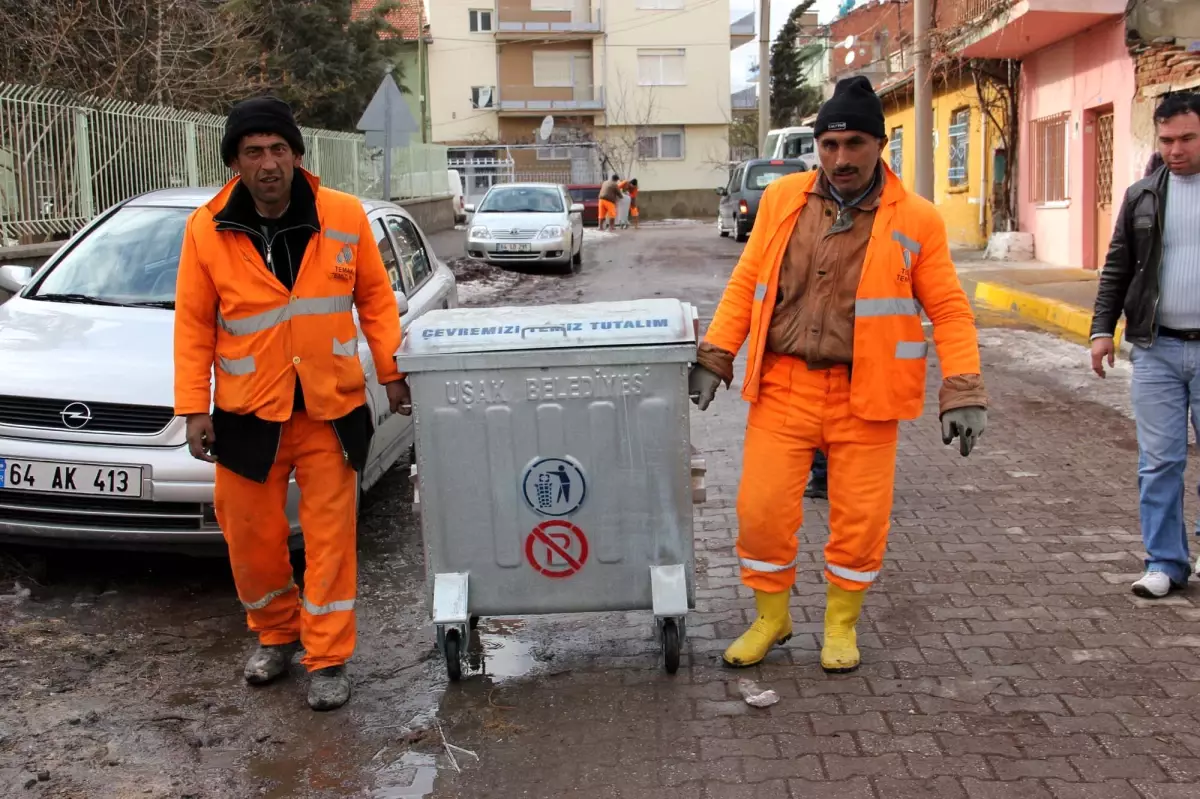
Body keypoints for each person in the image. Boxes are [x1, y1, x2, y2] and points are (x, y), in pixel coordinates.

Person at [689, 75, 987, 672]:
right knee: (761, 510)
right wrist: (715, 354)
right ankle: (772, 619)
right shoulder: (782, 201)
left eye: (854, 144)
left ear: (880, 146)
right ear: (816, 147)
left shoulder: (917, 219)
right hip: (784, 387)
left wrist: (963, 389)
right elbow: (748, 281)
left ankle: (840, 625)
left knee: (860, 519)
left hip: (868, 395)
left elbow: (950, 309)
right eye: (830, 144)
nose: (840, 158)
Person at [173, 96, 411, 710]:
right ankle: (276, 635)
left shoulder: (343, 215)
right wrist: (193, 407)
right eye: (253, 152)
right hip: (248, 412)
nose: (268, 163)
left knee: (332, 537)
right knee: (250, 534)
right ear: (236, 163)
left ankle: (328, 657)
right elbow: (194, 325)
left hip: (331, 408)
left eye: (278, 149)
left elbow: (377, 304)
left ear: (297, 156)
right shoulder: (207, 227)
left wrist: (392, 374)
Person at [1090, 91, 1200, 599]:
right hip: (1156, 349)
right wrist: (1100, 330)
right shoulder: (1143, 196)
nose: (1175, 150)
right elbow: (1117, 266)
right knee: (1159, 461)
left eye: (1187, 138)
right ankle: (1164, 562)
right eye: (1167, 140)